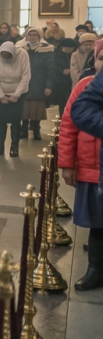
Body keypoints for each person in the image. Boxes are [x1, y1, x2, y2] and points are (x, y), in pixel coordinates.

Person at [63, 41, 103, 292]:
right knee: (97, 224)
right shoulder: (84, 86)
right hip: (91, 167)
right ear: (94, 61)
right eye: (101, 59)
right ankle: (95, 270)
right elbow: (68, 126)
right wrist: (67, 164)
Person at [0, 41, 31, 157]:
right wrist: (1, 95)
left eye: (8, 56)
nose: (6, 59)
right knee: (1, 120)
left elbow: (26, 76)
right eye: (4, 56)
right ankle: (0, 145)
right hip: (1, 90)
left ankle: (14, 146)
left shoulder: (22, 54)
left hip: (19, 90)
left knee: (16, 120)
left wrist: (16, 95)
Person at [17, 28, 54, 141]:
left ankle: (36, 131)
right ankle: (23, 130)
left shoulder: (47, 49)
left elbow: (50, 70)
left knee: (37, 108)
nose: (32, 37)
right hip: (25, 82)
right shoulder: (22, 49)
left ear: (39, 37)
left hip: (40, 82)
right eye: (30, 35)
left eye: (35, 35)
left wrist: (49, 85)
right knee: (25, 107)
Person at [52, 38, 78, 117]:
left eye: (70, 49)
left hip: (72, 80)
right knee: (62, 101)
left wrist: (72, 70)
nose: (67, 50)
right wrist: (61, 71)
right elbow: (52, 66)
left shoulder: (75, 54)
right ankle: (62, 116)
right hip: (60, 81)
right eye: (65, 49)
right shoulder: (55, 54)